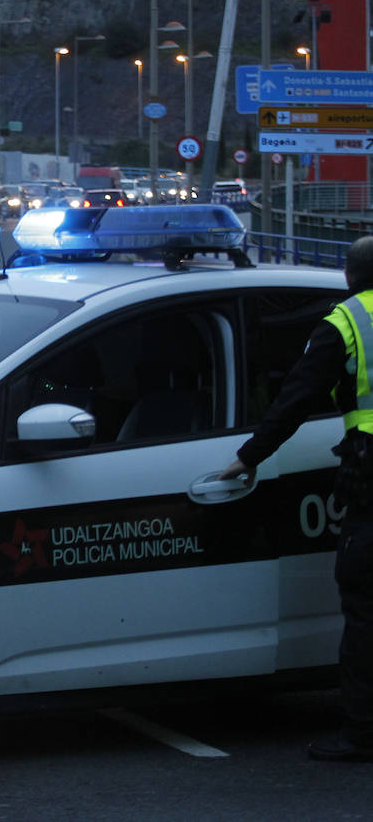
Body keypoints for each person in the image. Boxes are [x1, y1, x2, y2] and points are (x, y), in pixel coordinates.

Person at [218, 235, 373, 762]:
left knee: (365, 609)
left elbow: (298, 397)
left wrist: (249, 456)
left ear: (349, 276)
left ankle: (360, 734)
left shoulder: (346, 322)